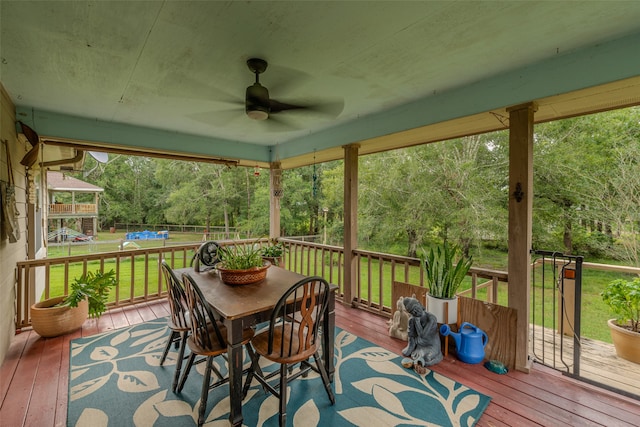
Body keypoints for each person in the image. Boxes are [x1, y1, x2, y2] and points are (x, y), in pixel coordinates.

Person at [401, 297, 443, 371]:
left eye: (416, 308)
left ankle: (435, 358)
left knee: (427, 357)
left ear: (420, 304)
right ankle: (419, 357)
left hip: (432, 345)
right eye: (412, 312)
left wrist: (417, 322)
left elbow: (423, 335)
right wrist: (411, 346)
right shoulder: (412, 319)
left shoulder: (431, 318)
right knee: (414, 354)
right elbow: (411, 335)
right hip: (420, 345)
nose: (416, 312)